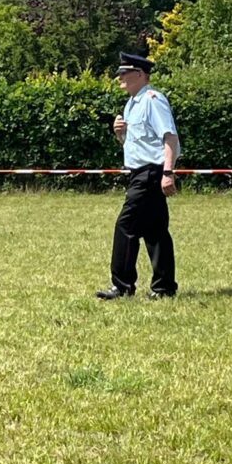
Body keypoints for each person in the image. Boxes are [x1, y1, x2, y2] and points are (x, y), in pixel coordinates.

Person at [96, 52, 180, 300]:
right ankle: (164, 288)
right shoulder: (132, 104)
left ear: (140, 74)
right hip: (139, 172)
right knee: (155, 231)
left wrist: (168, 172)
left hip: (150, 173)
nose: (120, 78)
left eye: (124, 73)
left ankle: (122, 286)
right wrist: (119, 133)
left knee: (126, 226)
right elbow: (136, 144)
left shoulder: (153, 100)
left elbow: (170, 138)